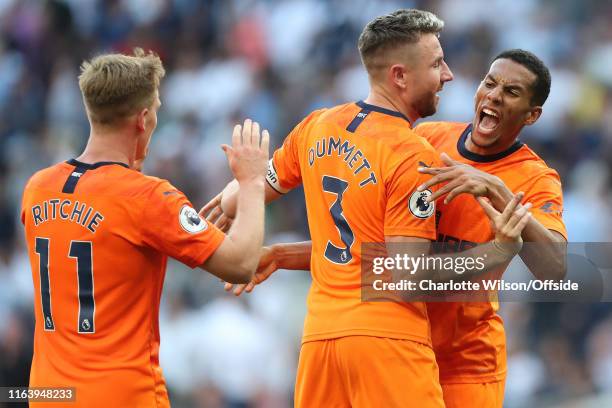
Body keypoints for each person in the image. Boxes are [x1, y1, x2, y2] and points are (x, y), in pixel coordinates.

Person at [207, 9, 530, 408]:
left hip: (321, 341)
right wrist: (495, 253)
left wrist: (232, 203)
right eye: (436, 64)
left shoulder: (317, 126)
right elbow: (406, 275)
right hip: (387, 342)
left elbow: (241, 195)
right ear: (399, 76)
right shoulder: (411, 155)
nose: (447, 74)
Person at [20, 48, 269, 407]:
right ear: (143, 119)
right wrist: (252, 182)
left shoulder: (36, 188)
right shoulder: (146, 197)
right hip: (122, 395)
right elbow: (242, 263)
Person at [413, 49, 567, 408]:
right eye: (490, 83)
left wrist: (496, 189)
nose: (495, 95)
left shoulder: (536, 178)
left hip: (467, 362)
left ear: (532, 115)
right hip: (403, 343)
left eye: (511, 92)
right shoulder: (427, 138)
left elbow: (556, 269)